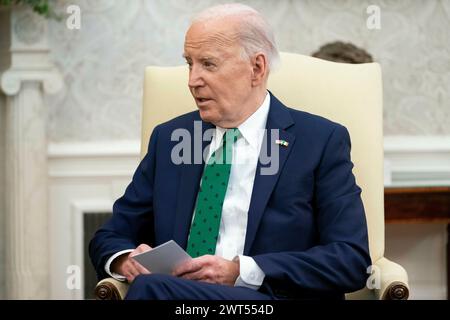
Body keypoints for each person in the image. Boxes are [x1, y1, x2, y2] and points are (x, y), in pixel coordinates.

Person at [89, 3, 371, 300]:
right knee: (154, 287)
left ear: (257, 68)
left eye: (208, 64)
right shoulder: (171, 139)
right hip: (178, 296)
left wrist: (241, 272)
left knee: (151, 290)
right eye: (190, 63)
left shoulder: (320, 141)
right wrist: (125, 260)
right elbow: (110, 235)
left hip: (266, 299)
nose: (192, 80)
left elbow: (350, 259)